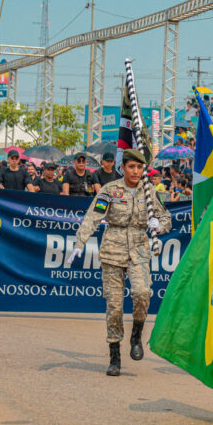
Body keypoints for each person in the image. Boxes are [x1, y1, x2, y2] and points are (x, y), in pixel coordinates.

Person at [68, 149, 171, 377]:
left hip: (139, 250)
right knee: (114, 307)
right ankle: (115, 356)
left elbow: (165, 218)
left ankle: (136, 336)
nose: (136, 171)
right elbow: (94, 216)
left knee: (143, 293)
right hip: (112, 251)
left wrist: (158, 224)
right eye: (131, 167)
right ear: (122, 167)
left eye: (139, 167)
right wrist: (79, 242)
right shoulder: (110, 190)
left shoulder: (149, 191)